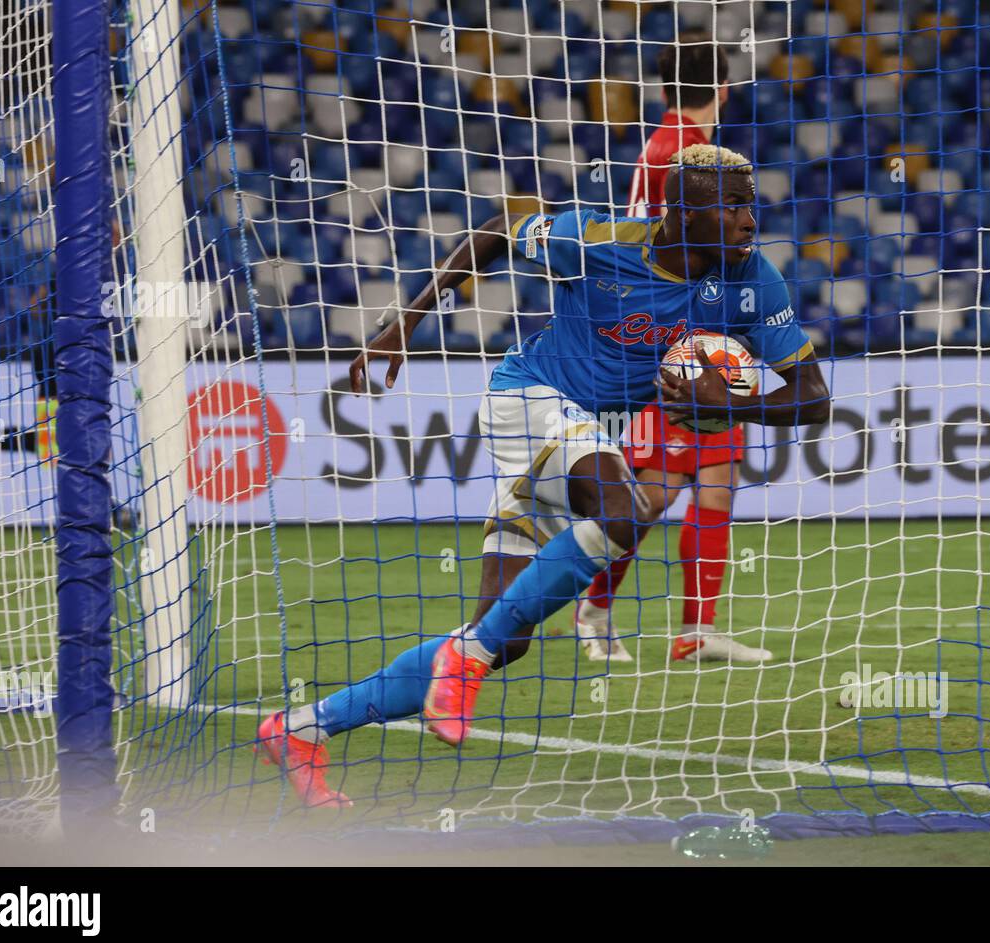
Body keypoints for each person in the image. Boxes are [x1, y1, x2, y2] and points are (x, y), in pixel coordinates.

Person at [255, 145, 829, 807]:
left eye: (749, 204)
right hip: (525, 398)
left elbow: (812, 397)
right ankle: (464, 658)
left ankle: (300, 728)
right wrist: (406, 322)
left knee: (506, 637)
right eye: (728, 206)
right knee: (628, 510)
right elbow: (501, 227)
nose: (747, 220)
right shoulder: (600, 242)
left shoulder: (754, 280)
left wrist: (736, 405)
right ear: (678, 216)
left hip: (573, 440)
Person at [577, 35, 756, 664]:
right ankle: (593, 608)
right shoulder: (688, 154)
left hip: (689, 334)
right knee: (652, 494)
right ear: (725, 90)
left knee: (714, 483)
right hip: (669, 338)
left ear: (660, 89)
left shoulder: (666, 143)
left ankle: (696, 630)